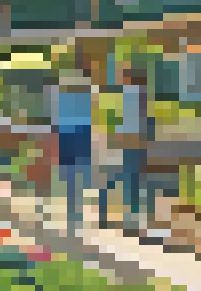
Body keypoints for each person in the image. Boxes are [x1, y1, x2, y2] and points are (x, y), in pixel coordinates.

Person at [106, 65, 155, 230]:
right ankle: (131, 216)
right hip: (135, 143)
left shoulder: (131, 95)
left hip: (132, 143)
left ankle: (120, 214)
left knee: (127, 178)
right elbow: (145, 121)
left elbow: (128, 121)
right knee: (131, 178)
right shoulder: (140, 96)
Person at [52, 77, 96, 233]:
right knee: (75, 179)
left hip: (71, 137)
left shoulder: (62, 95)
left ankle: (73, 217)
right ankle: (75, 217)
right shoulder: (83, 94)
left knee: (72, 179)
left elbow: (56, 120)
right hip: (77, 137)